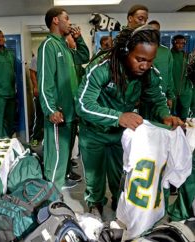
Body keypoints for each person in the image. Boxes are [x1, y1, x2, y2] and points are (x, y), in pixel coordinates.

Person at [75, 25, 184, 218]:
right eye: (140, 59)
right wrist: (119, 117)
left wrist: (165, 115)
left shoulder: (149, 73)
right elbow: (83, 105)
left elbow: (157, 100)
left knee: (121, 175)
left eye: (150, 61)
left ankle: (120, 205)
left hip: (120, 134)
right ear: (126, 51)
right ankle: (95, 204)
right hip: (93, 133)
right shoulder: (101, 68)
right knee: (94, 176)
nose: (145, 66)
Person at [37, 7, 89, 191]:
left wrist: (79, 38)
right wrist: (50, 109)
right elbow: (45, 83)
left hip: (71, 110)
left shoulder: (64, 47)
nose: (70, 22)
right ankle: (50, 193)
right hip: (58, 111)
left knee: (65, 152)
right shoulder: (48, 46)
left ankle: (63, 177)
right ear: (55, 21)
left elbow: (84, 56)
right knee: (56, 155)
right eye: (66, 18)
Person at [139, 20, 175, 119]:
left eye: (156, 31)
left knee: (161, 124)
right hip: (144, 96)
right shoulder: (141, 50)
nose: (154, 33)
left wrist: (170, 96)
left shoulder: (166, 52)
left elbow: (170, 76)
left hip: (161, 98)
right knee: (145, 124)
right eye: (151, 30)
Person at [171, 34, 194, 121]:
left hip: (184, 90)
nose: (180, 45)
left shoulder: (186, 56)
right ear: (173, 43)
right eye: (178, 43)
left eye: (183, 43)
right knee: (171, 115)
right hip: (172, 90)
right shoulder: (169, 55)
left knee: (183, 116)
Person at [29, 54, 44, 146]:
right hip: (40, 93)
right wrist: (35, 87)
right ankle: (34, 138)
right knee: (39, 116)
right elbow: (32, 72)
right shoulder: (37, 58)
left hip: (51, 93)